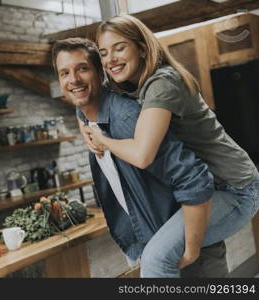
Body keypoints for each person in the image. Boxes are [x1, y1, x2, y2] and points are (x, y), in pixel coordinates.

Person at [83, 15, 259, 277]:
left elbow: (143, 154)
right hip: (213, 187)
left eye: (119, 48)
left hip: (237, 189)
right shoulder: (128, 84)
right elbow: (85, 94)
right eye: (104, 53)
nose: (110, 60)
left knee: (155, 260)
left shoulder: (163, 83)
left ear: (142, 48)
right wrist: (84, 128)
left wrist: (102, 140)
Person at [52, 37, 228, 278]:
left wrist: (192, 249)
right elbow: (80, 101)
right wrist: (82, 123)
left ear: (101, 73)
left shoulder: (126, 118)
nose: (73, 79)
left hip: (188, 250)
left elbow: (194, 178)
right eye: (64, 73)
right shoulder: (90, 116)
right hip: (157, 242)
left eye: (82, 68)